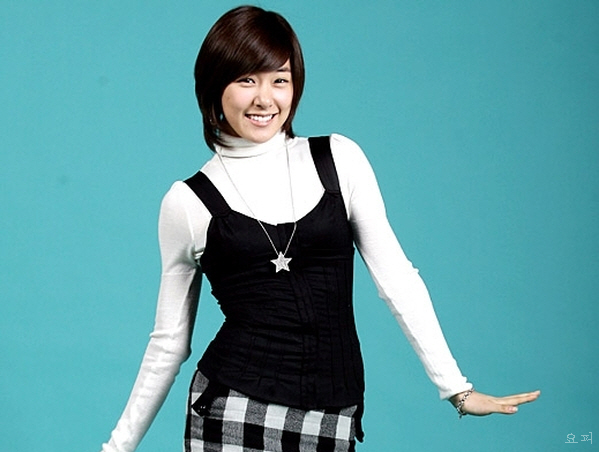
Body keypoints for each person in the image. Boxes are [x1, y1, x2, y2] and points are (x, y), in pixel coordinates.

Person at [100, 6, 540, 452]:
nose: (264, 99)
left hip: (334, 414)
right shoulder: (188, 202)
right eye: (246, 80)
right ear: (215, 86)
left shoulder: (338, 160)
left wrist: (456, 389)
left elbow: (397, 279)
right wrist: (116, 448)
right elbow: (169, 342)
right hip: (232, 409)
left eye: (280, 80)